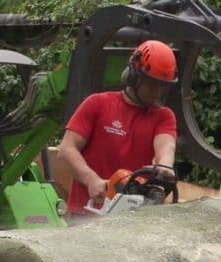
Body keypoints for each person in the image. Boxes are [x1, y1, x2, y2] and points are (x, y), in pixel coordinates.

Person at [58, 39, 178, 216]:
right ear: (133, 75)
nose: (156, 91)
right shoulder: (97, 104)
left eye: (162, 86)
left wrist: (165, 166)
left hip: (130, 218)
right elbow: (66, 149)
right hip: (86, 213)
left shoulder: (163, 116)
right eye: (151, 84)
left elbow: (166, 146)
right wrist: (91, 180)